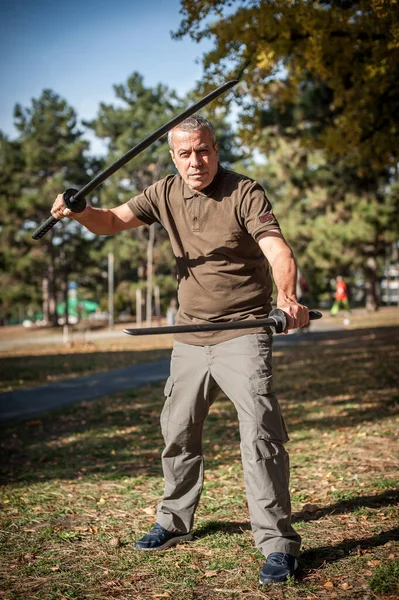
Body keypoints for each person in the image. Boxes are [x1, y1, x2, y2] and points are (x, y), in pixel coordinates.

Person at [51, 115, 309, 585]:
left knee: (260, 437)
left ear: (216, 148)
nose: (196, 161)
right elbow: (109, 222)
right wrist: (81, 210)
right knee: (177, 431)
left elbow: (278, 250)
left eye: (204, 150)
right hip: (188, 336)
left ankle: (277, 544)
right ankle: (173, 521)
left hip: (243, 332)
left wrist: (288, 300)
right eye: (186, 153)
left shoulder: (244, 192)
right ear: (173, 157)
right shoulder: (163, 193)